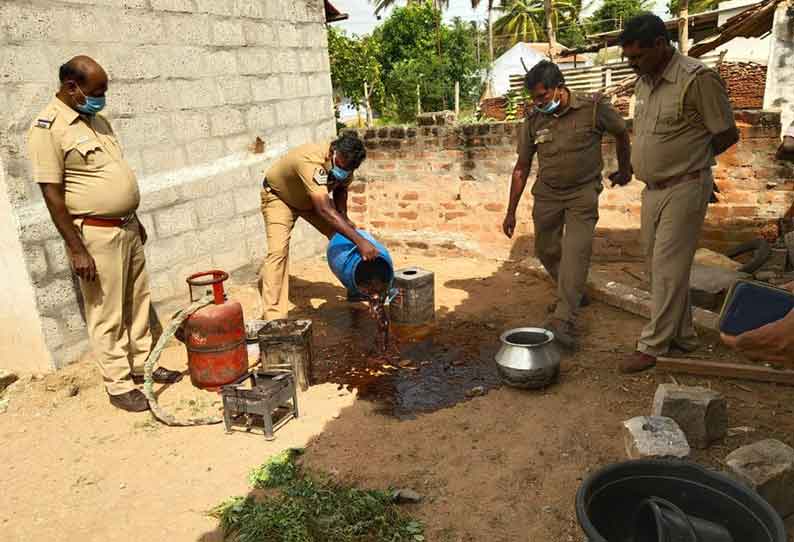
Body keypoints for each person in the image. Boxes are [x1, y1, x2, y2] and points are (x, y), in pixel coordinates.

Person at [27, 56, 181, 413]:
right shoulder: (47, 128)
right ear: (71, 87)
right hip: (95, 235)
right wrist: (75, 247)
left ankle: (145, 363)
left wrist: (134, 216)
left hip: (126, 226)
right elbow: (51, 193)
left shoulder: (97, 120)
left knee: (137, 302)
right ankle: (118, 384)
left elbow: (114, 174)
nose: (102, 98)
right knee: (106, 311)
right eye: (97, 92)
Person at [617, 14, 739, 373]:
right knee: (658, 269)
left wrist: (694, 163)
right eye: (628, 58)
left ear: (659, 44)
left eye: (637, 57)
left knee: (668, 267)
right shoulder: (644, 82)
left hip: (685, 186)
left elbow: (727, 132)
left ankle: (652, 345)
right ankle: (683, 336)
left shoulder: (697, 79)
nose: (632, 64)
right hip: (652, 190)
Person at [503, 60, 633, 349]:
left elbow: (621, 132)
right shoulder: (534, 119)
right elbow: (522, 166)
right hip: (548, 194)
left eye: (542, 96)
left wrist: (626, 169)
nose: (537, 103)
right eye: (533, 98)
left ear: (560, 88)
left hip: (582, 193)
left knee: (575, 251)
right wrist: (510, 211)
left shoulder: (594, 107)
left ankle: (564, 319)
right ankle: (573, 293)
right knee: (546, 249)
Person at [259, 132, 379, 321]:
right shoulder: (310, 160)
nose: (343, 170)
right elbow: (324, 210)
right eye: (340, 165)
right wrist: (360, 240)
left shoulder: (347, 163)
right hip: (279, 198)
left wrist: (344, 217)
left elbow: (341, 188)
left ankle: (359, 286)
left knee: (345, 234)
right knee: (278, 251)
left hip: (311, 199)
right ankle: (274, 317)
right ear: (333, 151)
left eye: (347, 168)